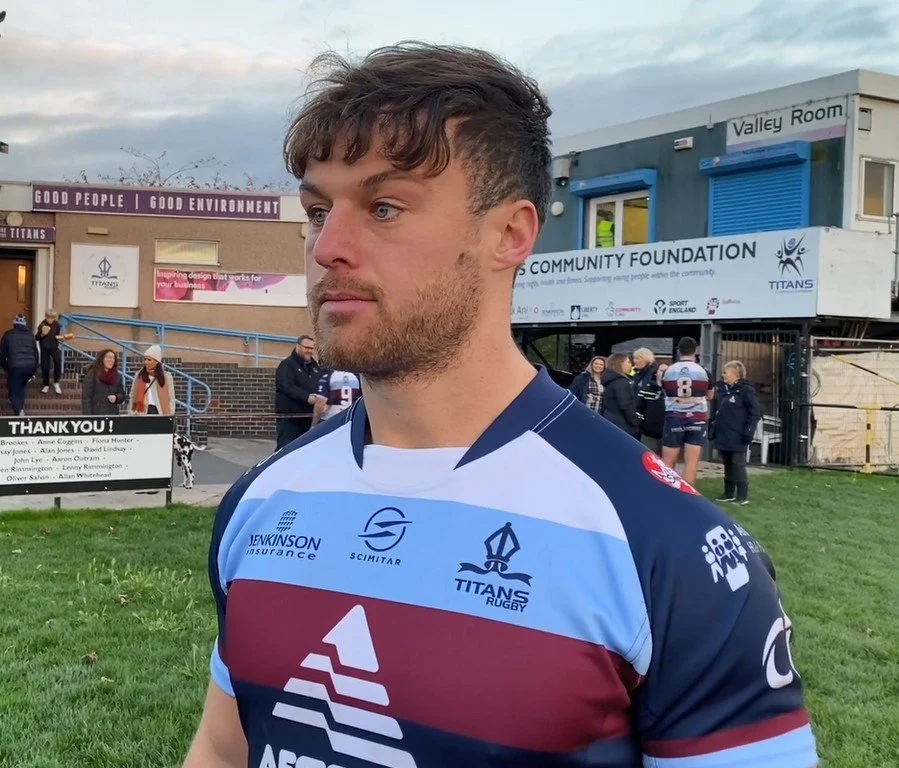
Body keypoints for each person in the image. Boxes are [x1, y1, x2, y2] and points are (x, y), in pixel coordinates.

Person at [182, 43, 817, 768]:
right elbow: (223, 748)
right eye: (318, 211)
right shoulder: (263, 501)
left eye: (384, 207)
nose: (328, 247)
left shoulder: (664, 545)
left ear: (509, 235)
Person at [661, 336, 714, 486]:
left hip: (674, 417)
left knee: (668, 462)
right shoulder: (703, 371)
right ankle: (687, 494)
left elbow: (665, 391)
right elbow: (710, 395)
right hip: (697, 418)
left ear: (679, 351)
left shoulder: (669, 370)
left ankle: (668, 492)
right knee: (691, 462)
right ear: (695, 351)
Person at [711, 360, 762, 505]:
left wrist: (749, 430)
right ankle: (728, 493)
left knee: (737, 464)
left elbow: (755, 412)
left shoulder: (745, 390)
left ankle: (742, 495)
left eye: (725, 372)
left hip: (738, 434)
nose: (723, 375)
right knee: (727, 463)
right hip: (724, 433)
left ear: (736, 374)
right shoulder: (723, 390)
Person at [274, 335, 325, 449]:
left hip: (309, 419)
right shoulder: (287, 364)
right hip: (290, 419)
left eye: (312, 348)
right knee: (286, 450)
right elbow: (286, 386)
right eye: (306, 347)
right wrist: (307, 397)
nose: (309, 351)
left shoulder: (315, 367)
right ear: (298, 347)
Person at [0, 314, 39, 416]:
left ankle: (19, 412)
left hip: (15, 367)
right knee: (20, 387)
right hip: (30, 366)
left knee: (13, 390)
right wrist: (34, 371)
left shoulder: (8, 334)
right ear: (25, 324)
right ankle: (20, 409)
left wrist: (5, 368)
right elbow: (36, 354)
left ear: (14, 324)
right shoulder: (30, 335)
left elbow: (2, 355)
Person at [599, 352, 641, 438]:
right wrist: (636, 422)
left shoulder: (610, 381)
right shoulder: (621, 383)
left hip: (610, 420)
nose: (631, 365)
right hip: (621, 424)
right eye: (628, 362)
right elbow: (626, 405)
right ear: (620, 364)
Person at [128, 344, 175, 415]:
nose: (146, 362)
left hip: (160, 412)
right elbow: (132, 394)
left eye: (149, 359)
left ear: (156, 361)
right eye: (145, 359)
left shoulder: (167, 377)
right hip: (142, 412)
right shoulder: (139, 375)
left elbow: (171, 397)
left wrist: (170, 413)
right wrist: (132, 412)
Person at [82, 348, 127, 415]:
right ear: (102, 359)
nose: (112, 360)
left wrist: (116, 398)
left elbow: (122, 395)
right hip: (96, 414)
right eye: (109, 357)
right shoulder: (92, 374)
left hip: (112, 414)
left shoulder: (117, 376)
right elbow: (86, 397)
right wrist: (88, 416)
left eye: (113, 358)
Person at [35, 309, 69, 395]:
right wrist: (42, 334)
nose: (50, 319)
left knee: (58, 362)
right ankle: (45, 384)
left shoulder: (56, 324)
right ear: (46, 317)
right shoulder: (42, 325)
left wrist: (61, 338)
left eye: (52, 317)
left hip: (54, 347)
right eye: (49, 317)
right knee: (45, 366)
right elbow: (36, 337)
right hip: (44, 348)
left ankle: (56, 382)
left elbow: (57, 335)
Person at [636, 361, 667, 455]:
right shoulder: (646, 390)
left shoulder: (673, 391)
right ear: (656, 373)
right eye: (662, 370)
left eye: (667, 371)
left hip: (668, 435)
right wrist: (644, 425)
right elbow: (638, 409)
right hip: (648, 434)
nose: (664, 373)